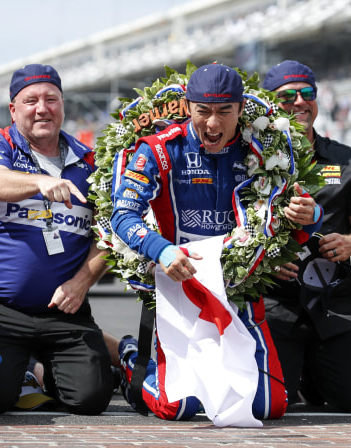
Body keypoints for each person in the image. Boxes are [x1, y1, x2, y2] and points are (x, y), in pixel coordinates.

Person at [111, 63, 322, 421]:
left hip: (239, 289)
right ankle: (133, 358)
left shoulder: (263, 152)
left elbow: (292, 226)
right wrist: (162, 250)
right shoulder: (159, 150)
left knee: (270, 407)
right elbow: (122, 215)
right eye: (203, 111)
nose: (212, 124)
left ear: (241, 109)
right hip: (181, 285)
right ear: (187, 106)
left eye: (224, 112)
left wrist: (310, 215)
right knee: (178, 407)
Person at [0, 64, 113, 415]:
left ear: (63, 106)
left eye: (51, 99)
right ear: (13, 109)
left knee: (90, 400)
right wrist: (39, 182)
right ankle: (29, 371)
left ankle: (58, 366)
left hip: (65, 311)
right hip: (0, 309)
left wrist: (81, 284)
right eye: (30, 100)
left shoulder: (92, 162)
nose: (42, 108)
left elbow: (110, 235)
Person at [260, 60, 351, 412]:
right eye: (287, 96)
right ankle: (296, 372)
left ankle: (312, 375)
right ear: (270, 104)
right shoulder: (249, 159)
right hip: (276, 300)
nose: (299, 102)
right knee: (271, 404)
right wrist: (264, 257)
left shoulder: (348, 161)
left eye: (306, 93)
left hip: (333, 297)